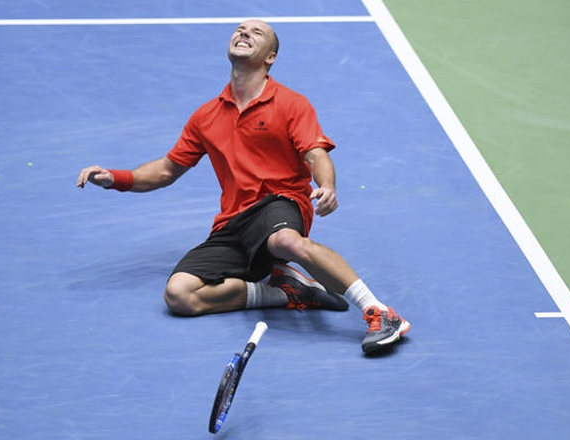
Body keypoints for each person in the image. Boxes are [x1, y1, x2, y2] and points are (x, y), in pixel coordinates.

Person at [77, 19, 410, 354]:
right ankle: (286, 292)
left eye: (257, 32)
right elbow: (166, 170)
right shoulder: (205, 116)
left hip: (280, 202)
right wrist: (115, 178)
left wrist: (327, 186)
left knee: (285, 240)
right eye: (240, 29)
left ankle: (379, 311)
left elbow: (315, 153)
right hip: (233, 223)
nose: (244, 32)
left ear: (270, 57)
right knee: (180, 295)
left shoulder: (291, 104)